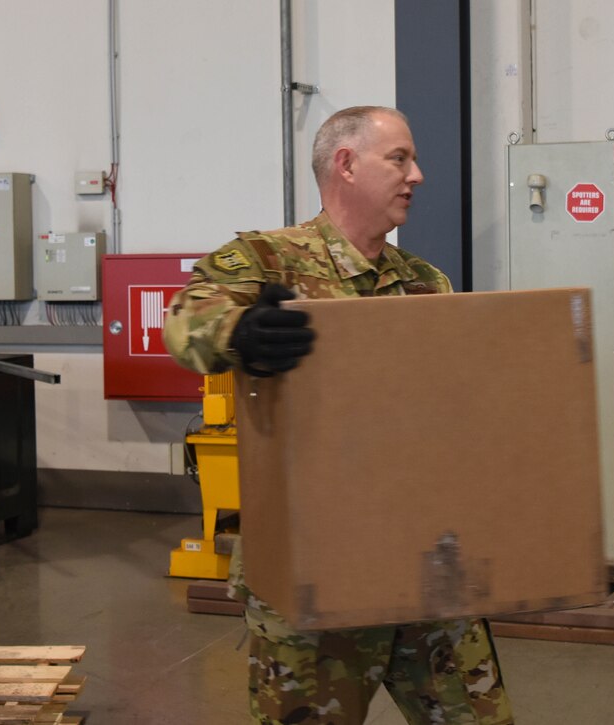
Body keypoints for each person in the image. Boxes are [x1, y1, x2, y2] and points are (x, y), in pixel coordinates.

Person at [163, 106, 515, 725]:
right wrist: (241, 329)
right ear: (346, 165)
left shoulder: (424, 283)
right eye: (400, 159)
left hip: (425, 562)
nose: (418, 175)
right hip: (313, 568)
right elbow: (186, 322)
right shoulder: (267, 261)